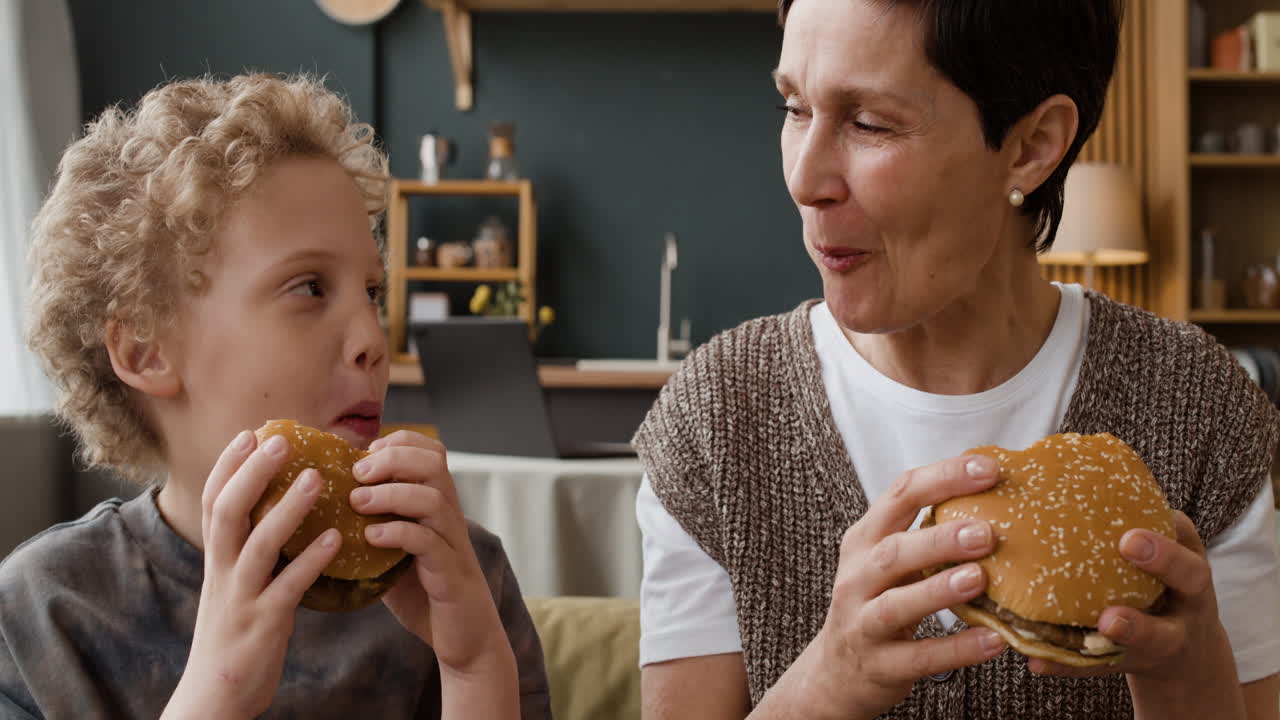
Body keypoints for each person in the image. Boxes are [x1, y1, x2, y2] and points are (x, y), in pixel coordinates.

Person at [632, 1, 1280, 718]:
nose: (804, 178)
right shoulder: (716, 419)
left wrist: (1186, 679)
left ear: (1032, 145)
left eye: (868, 123)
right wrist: (824, 685)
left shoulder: (1198, 408)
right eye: (793, 108)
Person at [1, 73, 551, 719]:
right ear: (145, 351)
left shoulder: (458, 576)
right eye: (311, 288)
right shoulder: (41, 617)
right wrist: (215, 696)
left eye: (372, 292)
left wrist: (477, 668)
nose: (374, 338)